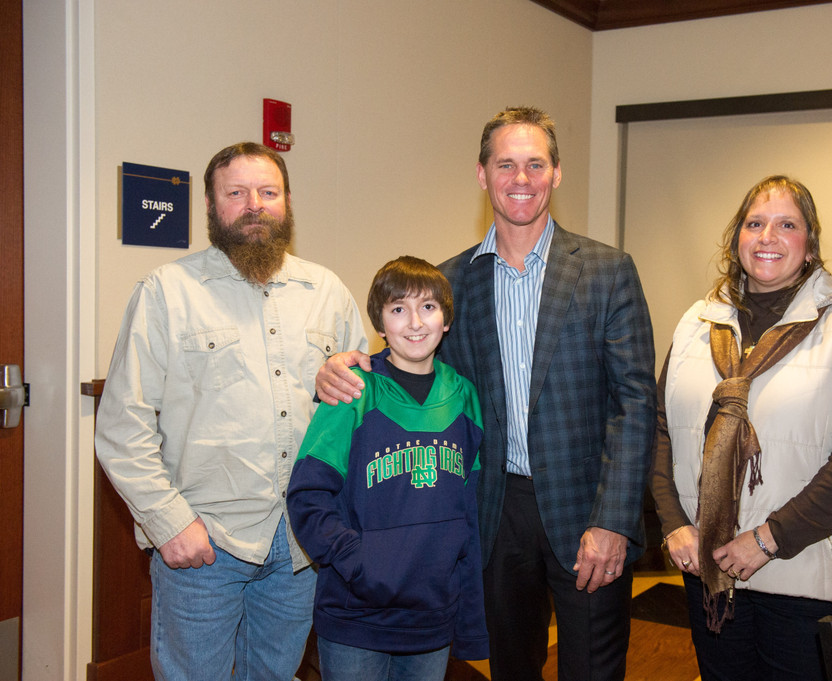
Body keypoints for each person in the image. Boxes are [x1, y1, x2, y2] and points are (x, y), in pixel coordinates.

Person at [317, 107, 657, 681]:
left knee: (593, 670)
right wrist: (345, 366)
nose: (520, 178)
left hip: (587, 511)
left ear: (555, 173)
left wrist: (614, 521)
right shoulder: (452, 282)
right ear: (482, 175)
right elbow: (412, 359)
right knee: (511, 667)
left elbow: (636, 403)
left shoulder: (607, 270)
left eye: (534, 164)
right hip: (493, 514)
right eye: (506, 164)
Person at [94, 142, 368, 681]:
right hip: (205, 544)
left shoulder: (327, 292)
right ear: (210, 205)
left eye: (268, 192)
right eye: (236, 193)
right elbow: (123, 425)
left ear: (287, 202)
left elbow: (357, 413)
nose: (254, 205)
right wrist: (168, 521)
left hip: (300, 546)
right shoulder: (166, 292)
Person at [649, 175, 832, 681]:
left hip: (804, 573)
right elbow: (661, 430)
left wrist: (765, 540)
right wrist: (673, 523)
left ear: (809, 245)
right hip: (709, 570)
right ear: (736, 239)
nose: (767, 237)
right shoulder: (696, 324)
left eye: (787, 225)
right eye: (754, 223)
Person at [286, 256, 487, 681]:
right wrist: (358, 562)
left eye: (428, 307)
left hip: (431, 616)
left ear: (446, 318)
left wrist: (466, 609)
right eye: (398, 309)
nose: (415, 322)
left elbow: (469, 513)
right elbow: (307, 496)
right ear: (379, 323)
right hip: (356, 614)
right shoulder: (353, 390)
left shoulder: (464, 398)